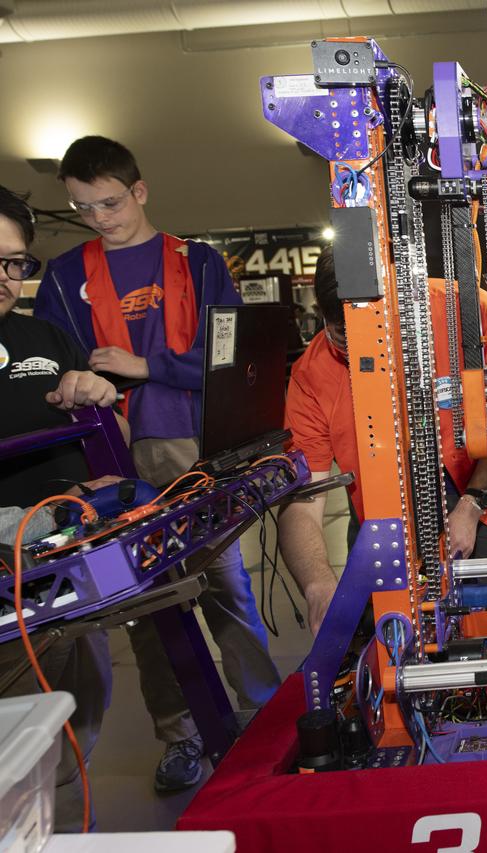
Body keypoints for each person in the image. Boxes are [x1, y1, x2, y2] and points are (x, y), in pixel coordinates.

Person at [34, 136, 280, 793]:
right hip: (115, 456)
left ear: (138, 191)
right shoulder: (65, 275)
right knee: (142, 602)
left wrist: (148, 367)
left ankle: (264, 716)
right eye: (83, 208)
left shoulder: (196, 264)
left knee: (224, 580)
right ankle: (182, 736)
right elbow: (63, 368)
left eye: (110, 202)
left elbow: (228, 359)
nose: (100, 217)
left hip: (197, 447)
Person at [280, 247, 487, 632]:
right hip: (382, 516)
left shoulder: (463, 312)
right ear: (324, 319)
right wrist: (318, 584)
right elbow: (304, 502)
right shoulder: (311, 377)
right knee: (388, 634)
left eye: (372, 330)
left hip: (484, 491)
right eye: (346, 336)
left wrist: (473, 503)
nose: (362, 347)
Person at [0, 184, 119, 830]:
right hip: (11, 578)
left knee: (81, 710)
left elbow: (110, 439)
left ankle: (66, 827)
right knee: (21, 736)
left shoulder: (46, 335)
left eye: (14, 262)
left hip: (74, 561)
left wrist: (95, 391)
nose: (4, 277)